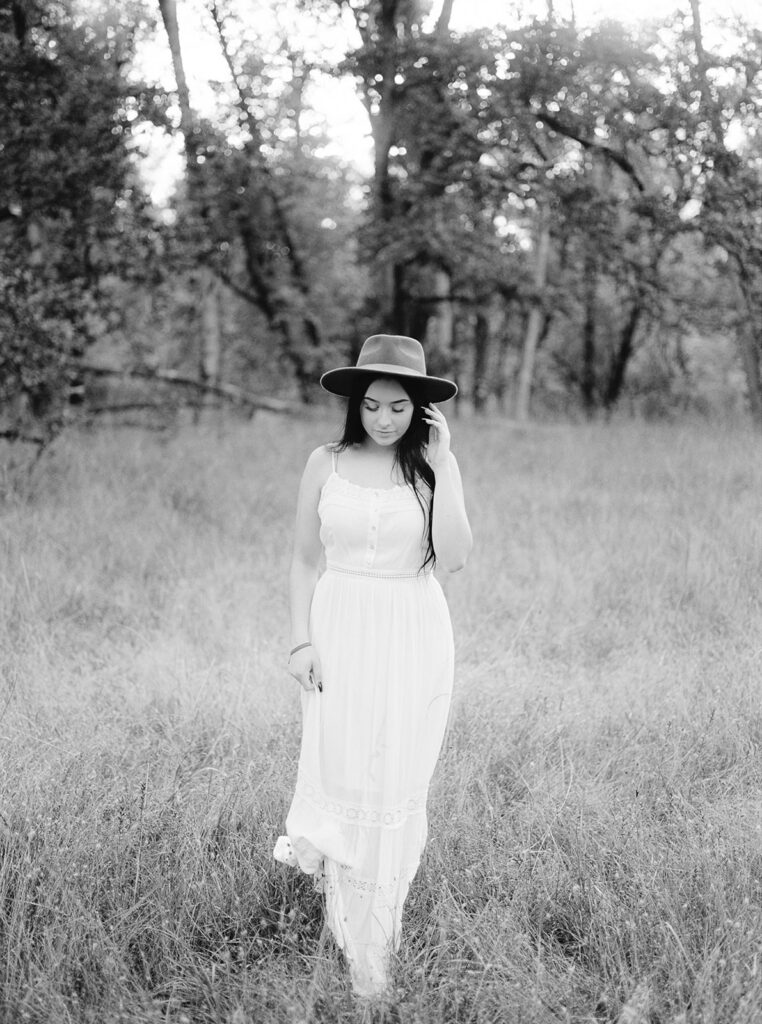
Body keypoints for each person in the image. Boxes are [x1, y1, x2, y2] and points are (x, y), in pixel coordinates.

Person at [273, 334, 472, 999]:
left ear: (420, 409)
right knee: (343, 768)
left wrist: (443, 469)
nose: (384, 420)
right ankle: (344, 921)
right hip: (339, 630)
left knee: (394, 782)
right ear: (355, 405)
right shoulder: (324, 462)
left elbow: (455, 561)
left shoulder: (433, 469)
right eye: (372, 406)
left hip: (414, 633)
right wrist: (300, 642)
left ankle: (374, 943)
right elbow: (304, 559)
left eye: (398, 408)